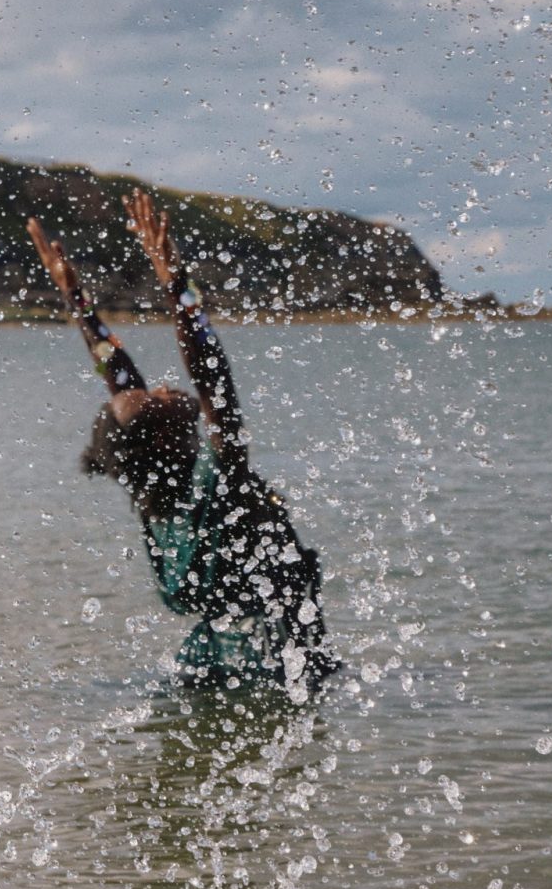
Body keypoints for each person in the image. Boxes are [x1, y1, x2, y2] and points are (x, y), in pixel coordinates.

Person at [27, 191, 339, 699]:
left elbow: (118, 379)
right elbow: (213, 376)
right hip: (280, 669)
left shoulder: (159, 491)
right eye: (151, 399)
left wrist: (77, 299)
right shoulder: (218, 479)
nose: (156, 386)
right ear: (165, 438)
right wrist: (178, 287)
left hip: (217, 667)